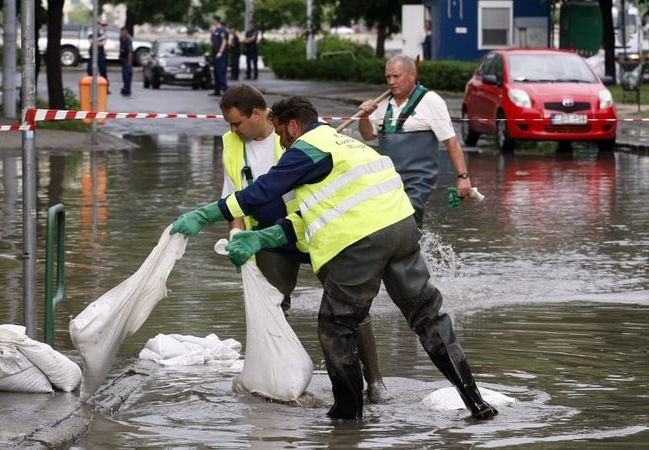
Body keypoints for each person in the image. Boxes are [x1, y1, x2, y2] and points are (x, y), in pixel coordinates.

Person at [170, 96, 498, 421]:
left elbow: (261, 191)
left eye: (281, 134)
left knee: (336, 325)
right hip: (402, 229)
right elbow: (315, 211)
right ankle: (476, 401)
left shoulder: (305, 148)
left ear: (293, 126)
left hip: (363, 239)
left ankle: (347, 416)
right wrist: (264, 237)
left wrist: (205, 214)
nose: (280, 143)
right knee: (428, 317)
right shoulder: (347, 144)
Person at [218, 84, 391, 404]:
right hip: (268, 236)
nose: (233, 130)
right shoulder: (231, 144)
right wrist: (237, 236)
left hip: (316, 228)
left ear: (256, 114)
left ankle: (376, 383)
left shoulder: (298, 131)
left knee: (350, 305)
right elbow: (233, 200)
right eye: (230, 124)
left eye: (237, 123)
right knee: (272, 304)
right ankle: (280, 379)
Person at [357, 55, 471, 227]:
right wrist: (364, 116)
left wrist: (463, 177)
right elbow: (367, 135)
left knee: (407, 217)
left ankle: (412, 240)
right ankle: (411, 242)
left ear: (412, 75)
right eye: (388, 77)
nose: (391, 82)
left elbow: (451, 142)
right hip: (387, 178)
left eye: (396, 76)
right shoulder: (382, 104)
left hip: (418, 179)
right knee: (381, 222)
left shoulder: (431, 101)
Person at [87, 21, 108, 93]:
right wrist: (100, 39)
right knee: (90, 72)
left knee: (103, 72)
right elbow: (91, 42)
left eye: (99, 26)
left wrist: (95, 41)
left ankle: (105, 88)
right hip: (92, 56)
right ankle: (90, 87)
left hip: (101, 56)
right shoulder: (91, 35)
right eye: (97, 26)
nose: (98, 27)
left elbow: (103, 43)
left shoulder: (102, 35)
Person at [210, 15, 228, 96]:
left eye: (213, 20)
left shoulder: (222, 30)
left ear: (216, 20)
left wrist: (220, 52)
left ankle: (224, 90)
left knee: (221, 71)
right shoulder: (216, 30)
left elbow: (224, 42)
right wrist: (211, 33)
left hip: (220, 54)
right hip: (215, 53)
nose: (212, 21)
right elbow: (212, 40)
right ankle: (216, 90)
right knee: (216, 72)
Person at [119, 26, 133, 96]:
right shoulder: (121, 38)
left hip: (127, 59)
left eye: (122, 32)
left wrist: (129, 63)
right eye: (121, 32)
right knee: (124, 75)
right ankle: (125, 87)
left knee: (127, 74)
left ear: (126, 32)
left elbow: (130, 52)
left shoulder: (128, 40)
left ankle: (127, 88)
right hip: (123, 58)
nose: (121, 33)